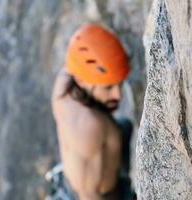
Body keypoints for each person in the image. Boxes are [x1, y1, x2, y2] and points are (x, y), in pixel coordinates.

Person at [46, 24, 135, 200]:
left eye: (119, 84)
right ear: (81, 81)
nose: (118, 95)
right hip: (97, 195)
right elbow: (88, 195)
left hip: (72, 181)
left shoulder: (64, 84)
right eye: (108, 87)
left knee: (124, 127)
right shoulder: (90, 125)